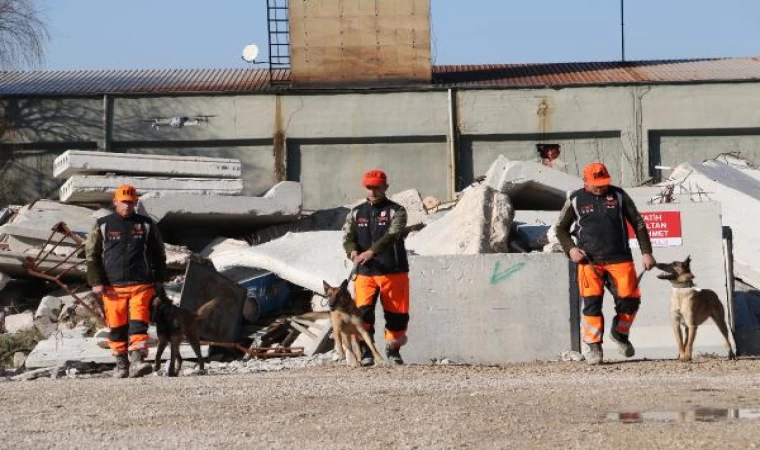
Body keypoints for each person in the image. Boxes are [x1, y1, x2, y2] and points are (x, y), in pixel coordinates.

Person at [555, 162, 656, 365]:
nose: (600, 187)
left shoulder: (618, 195)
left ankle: (619, 333)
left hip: (620, 259)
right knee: (592, 304)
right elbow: (560, 229)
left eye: (603, 183)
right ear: (585, 182)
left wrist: (647, 252)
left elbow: (638, 223)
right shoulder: (575, 199)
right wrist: (571, 249)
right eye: (595, 184)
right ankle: (593, 345)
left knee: (630, 300)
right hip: (588, 261)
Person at [85, 184, 167, 378]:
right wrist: (96, 281)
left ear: (136, 202)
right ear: (115, 202)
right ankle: (121, 364)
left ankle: (138, 360)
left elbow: (159, 254)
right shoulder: (102, 224)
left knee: (139, 322)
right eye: (123, 202)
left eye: (131, 202)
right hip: (112, 285)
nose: (127, 206)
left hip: (141, 284)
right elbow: (91, 255)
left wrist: (160, 279)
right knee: (116, 325)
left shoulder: (146, 224)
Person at [343, 170, 410, 366]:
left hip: (393, 270)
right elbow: (348, 237)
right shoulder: (356, 213)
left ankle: (393, 349)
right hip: (364, 273)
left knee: (397, 315)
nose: (373, 191)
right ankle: (366, 352)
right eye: (369, 187)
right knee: (363, 314)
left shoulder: (397, 211)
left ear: (385, 188)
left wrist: (371, 252)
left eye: (377, 187)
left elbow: (393, 235)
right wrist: (352, 252)